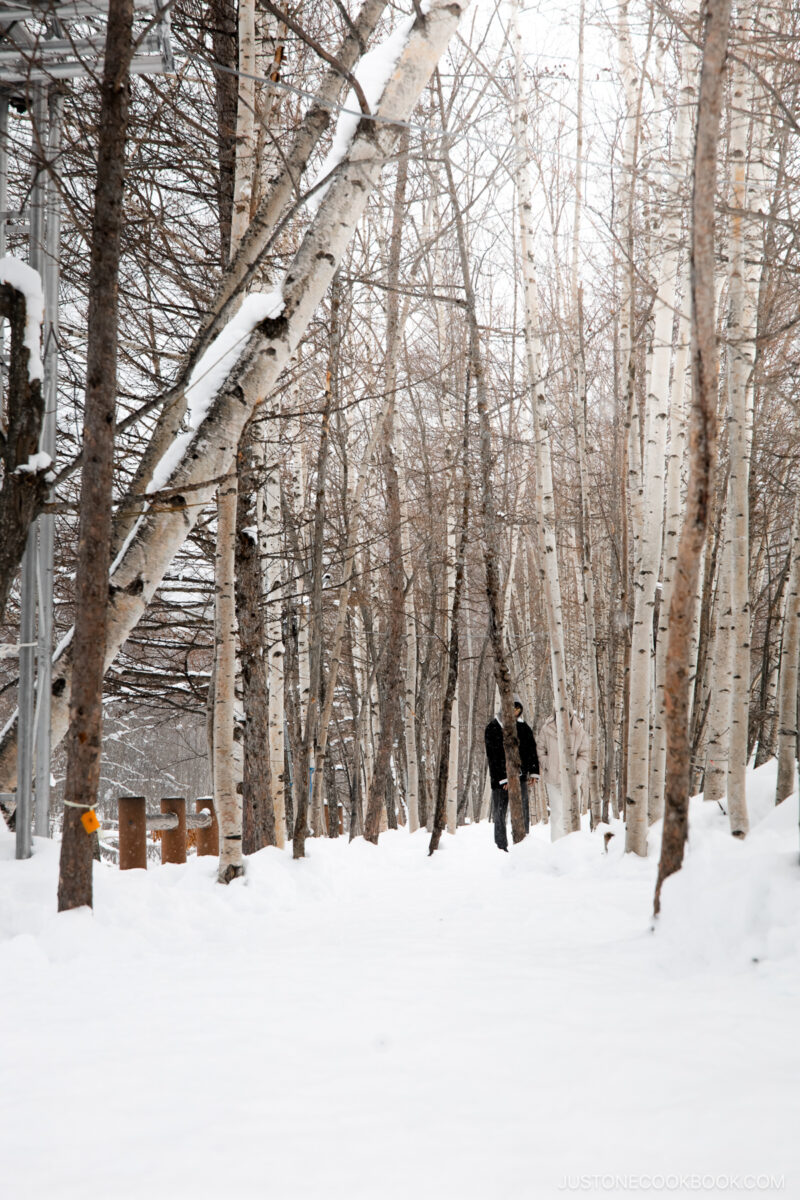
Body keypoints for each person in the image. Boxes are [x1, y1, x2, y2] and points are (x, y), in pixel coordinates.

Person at [484, 697, 539, 851]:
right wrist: (504, 778)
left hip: (520, 777)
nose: (514, 712)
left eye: (517, 709)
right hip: (500, 780)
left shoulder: (524, 728)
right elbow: (493, 757)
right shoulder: (493, 728)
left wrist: (533, 772)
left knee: (523, 811)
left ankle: (524, 843)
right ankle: (501, 847)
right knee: (500, 813)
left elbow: (531, 751)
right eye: (512, 708)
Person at [538, 709, 589, 837]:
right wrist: (548, 765)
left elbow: (585, 754)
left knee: (572, 815)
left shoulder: (578, 730)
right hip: (553, 779)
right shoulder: (546, 728)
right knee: (557, 814)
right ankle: (557, 848)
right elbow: (540, 750)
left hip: (572, 781)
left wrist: (576, 769)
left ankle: (572, 847)